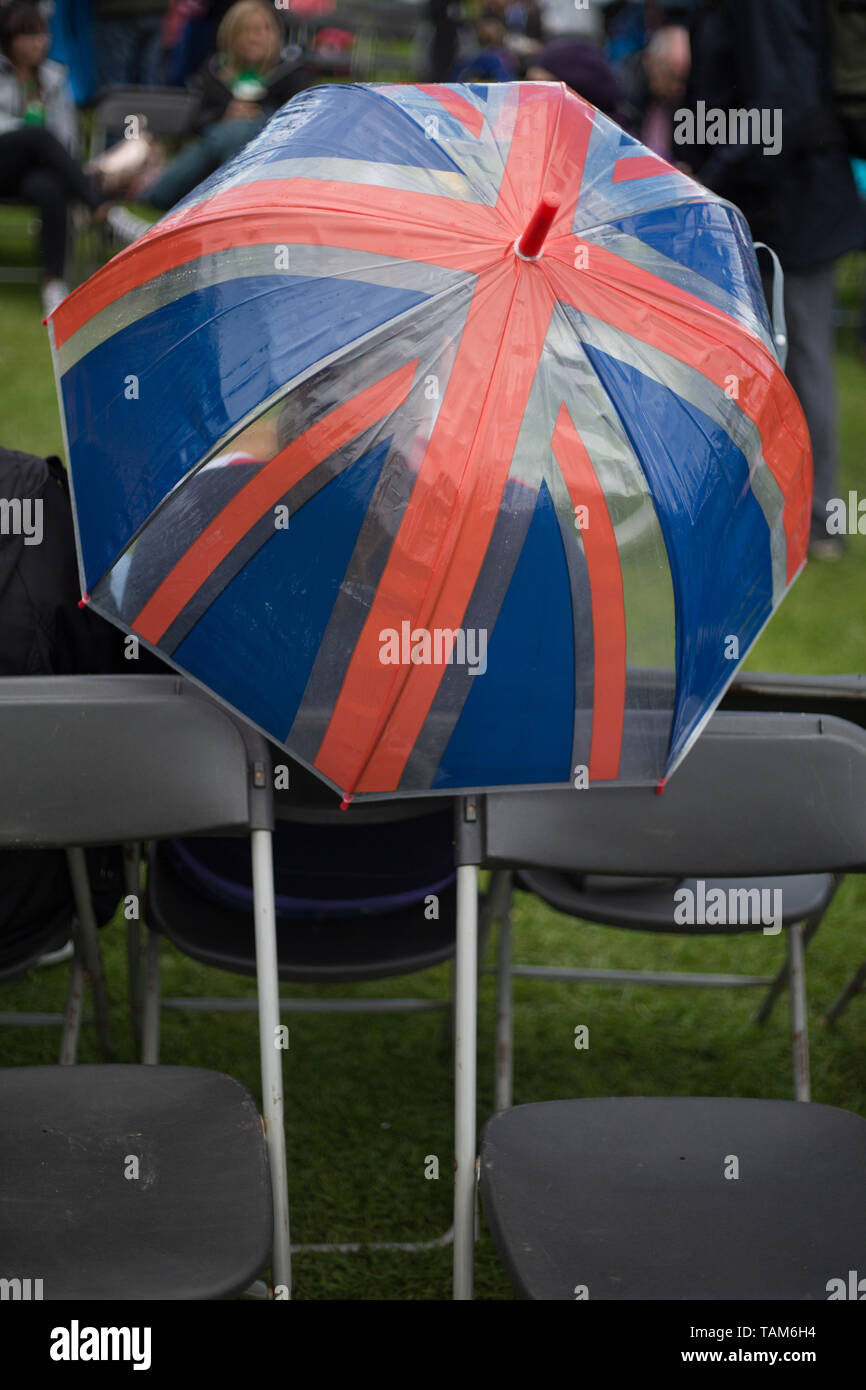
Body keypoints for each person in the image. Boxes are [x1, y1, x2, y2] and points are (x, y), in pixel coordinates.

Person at [684, 0, 866, 560]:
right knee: (769, 358)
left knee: (802, 355)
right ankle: (772, 509)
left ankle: (817, 522)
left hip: (793, 200)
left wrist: (712, 175)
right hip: (779, 193)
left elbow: (781, 103)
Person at [0, 2, 147, 315]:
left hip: (34, 173)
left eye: (41, 34)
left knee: (48, 187)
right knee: (37, 136)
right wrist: (33, 139)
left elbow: (66, 138)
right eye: (28, 36)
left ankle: (53, 283)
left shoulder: (54, 78)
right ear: (9, 40)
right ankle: (104, 211)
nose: (38, 42)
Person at [140, 0, 308, 210]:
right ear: (231, 35)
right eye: (248, 30)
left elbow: (301, 124)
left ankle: (160, 193)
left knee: (235, 133)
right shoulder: (214, 71)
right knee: (223, 136)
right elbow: (194, 123)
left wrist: (259, 121)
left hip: (268, 164)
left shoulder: (289, 74)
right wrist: (223, 115)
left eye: (265, 29)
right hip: (212, 163)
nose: (257, 36)